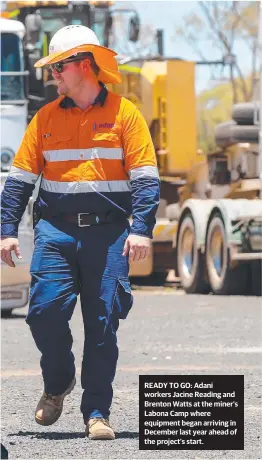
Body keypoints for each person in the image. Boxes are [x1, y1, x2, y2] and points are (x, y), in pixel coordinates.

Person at [0, 25, 160, 440]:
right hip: (56, 232)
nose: (53, 75)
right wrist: (6, 229)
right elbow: (19, 181)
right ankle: (58, 382)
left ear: (84, 66)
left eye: (58, 67)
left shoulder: (126, 115)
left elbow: (145, 179)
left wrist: (141, 230)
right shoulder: (45, 117)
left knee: (103, 323)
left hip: (108, 236)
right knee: (43, 313)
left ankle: (96, 412)